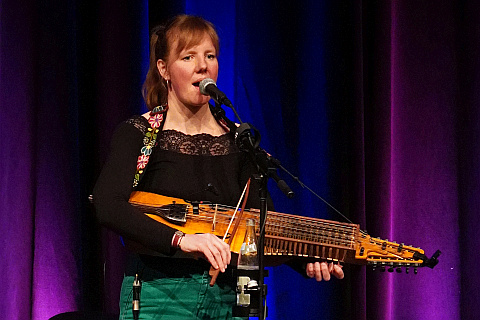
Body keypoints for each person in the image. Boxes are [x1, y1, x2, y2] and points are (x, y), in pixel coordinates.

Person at [93, 14, 343, 320]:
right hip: (160, 295)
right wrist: (183, 240)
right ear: (164, 69)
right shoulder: (140, 132)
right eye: (188, 57)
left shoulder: (238, 139)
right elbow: (108, 205)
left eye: (209, 56)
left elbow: (255, 225)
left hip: (228, 297)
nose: (202, 66)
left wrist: (304, 260)